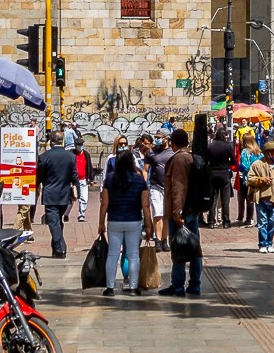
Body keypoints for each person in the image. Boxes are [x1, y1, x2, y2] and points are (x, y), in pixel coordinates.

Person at [98, 148, 151, 297]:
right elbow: (145, 205)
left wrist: (101, 223)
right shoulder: (139, 180)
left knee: (113, 254)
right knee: (133, 254)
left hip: (114, 220)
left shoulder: (110, 179)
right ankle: (133, 288)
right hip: (134, 220)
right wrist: (148, 225)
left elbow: (104, 204)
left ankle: (110, 288)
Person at [161, 128, 205, 297]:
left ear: (173, 142)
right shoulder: (191, 156)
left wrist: (177, 213)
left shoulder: (179, 159)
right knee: (194, 247)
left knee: (179, 248)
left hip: (181, 212)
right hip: (192, 210)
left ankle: (178, 285)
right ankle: (195, 284)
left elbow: (178, 187)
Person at [36, 132, 77, 259]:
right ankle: (55, 249)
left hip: (50, 194)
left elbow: (39, 175)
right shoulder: (70, 156)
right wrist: (77, 191)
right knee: (57, 222)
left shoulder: (44, 157)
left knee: (53, 223)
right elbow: (74, 175)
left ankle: (60, 248)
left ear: (51, 141)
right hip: (64, 195)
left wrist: (36, 186)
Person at [247, 141, 274, 252]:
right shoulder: (257, 164)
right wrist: (261, 180)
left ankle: (270, 243)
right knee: (262, 222)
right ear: (268, 153)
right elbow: (250, 179)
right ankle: (262, 244)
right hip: (261, 198)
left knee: (272, 222)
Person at [205, 127, 236, 227]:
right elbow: (234, 161)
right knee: (225, 200)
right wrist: (227, 163)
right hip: (224, 174)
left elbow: (206, 160)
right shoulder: (227, 147)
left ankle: (211, 221)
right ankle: (226, 221)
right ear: (223, 136)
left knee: (212, 199)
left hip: (213, 173)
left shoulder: (210, 146)